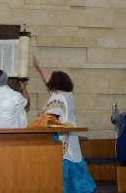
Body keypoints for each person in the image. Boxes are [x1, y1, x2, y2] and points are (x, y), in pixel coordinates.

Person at [33, 56, 96, 193]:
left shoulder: (58, 97)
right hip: (70, 138)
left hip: (59, 139)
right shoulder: (68, 95)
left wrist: (37, 122)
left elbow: (48, 118)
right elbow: (49, 79)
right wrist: (39, 65)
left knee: (61, 173)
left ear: (55, 84)